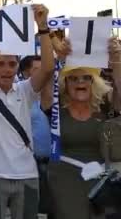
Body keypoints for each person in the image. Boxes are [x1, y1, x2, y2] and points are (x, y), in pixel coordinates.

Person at [0, 4, 55, 219]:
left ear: (18, 67)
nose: (7, 69)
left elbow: (47, 68)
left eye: (11, 64)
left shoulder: (25, 90)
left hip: (27, 174)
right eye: (1, 64)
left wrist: (43, 27)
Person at [42, 38, 121, 219]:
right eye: (73, 78)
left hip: (100, 181)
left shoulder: (105, 107)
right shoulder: (56, 107)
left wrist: (117, 59)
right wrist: (58, 60)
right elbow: (46, 84)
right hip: (63, 179)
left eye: (86, 78)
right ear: (65, 83)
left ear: (94, 83)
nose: (80, 82)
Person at [18, 55, 54, 218]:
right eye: (37, 70)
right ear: (25, 74)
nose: (44, 73)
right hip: (29, 166)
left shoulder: (57, 97)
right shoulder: (19, 96)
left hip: (54, 165)